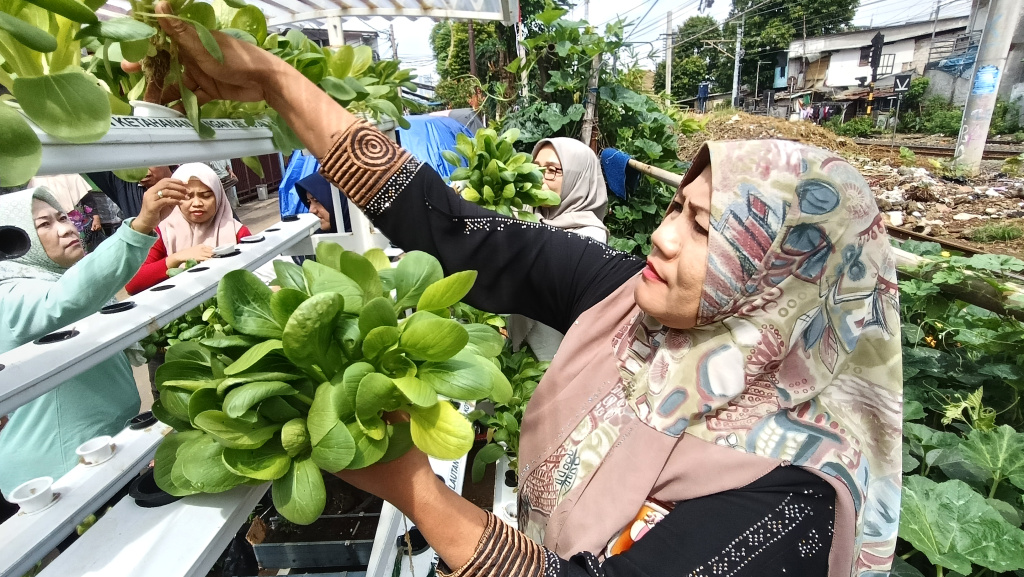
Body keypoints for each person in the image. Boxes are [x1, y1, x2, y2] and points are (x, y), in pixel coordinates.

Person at [141, 8, 903, 577]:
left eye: (706, 228)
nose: (666, 237)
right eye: (677, 209)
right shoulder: (627, 304)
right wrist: (277, 80)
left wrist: (415, 487)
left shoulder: (789, 494)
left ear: (782, 275)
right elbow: (457, 230)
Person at [0, 181, 186, 498]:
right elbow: (64, 301)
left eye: (63, 217)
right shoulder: (10, 292)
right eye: (45, 224)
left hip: (100, 445)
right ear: (16, 241)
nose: (66, 229)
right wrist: (140, 226)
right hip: (58, 467)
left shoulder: (58, 276)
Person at [510, 138, 609, 361]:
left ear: (578, 179)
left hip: (556, 350)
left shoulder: (590, 235)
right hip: (520, 345)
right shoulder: (526, 213)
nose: (538, 177)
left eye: (552, 170)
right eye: (535, 168)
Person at [125, 163, 251, 295]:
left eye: (206, 195)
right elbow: (132, 284)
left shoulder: (236, 231)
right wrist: (177, 258)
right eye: (187, 196)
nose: (197, 203)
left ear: (218, 197)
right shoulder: (163, 232)